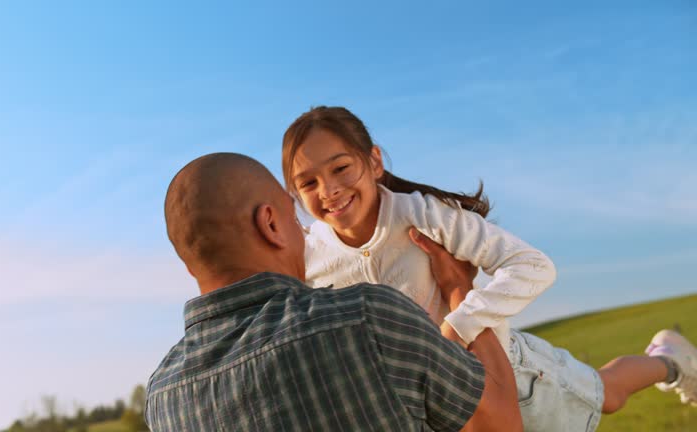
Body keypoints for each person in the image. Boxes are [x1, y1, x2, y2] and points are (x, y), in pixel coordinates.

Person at [281, 106, 697, 431]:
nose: (329, 190)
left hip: (507, 373)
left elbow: (533, 266)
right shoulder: (310, 257)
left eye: (340, 168)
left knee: (609, 395)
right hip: (427, 407)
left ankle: (669, 359)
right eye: (309, 183)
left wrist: (457, 328)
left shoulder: (425, 215)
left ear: (373, 162)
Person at [146, 153, 522, 431]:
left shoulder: (161, 398)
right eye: (295, 220)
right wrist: (460, 289)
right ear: (271, 224)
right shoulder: (368, 317)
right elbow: (500, 424)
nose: (305, 236)